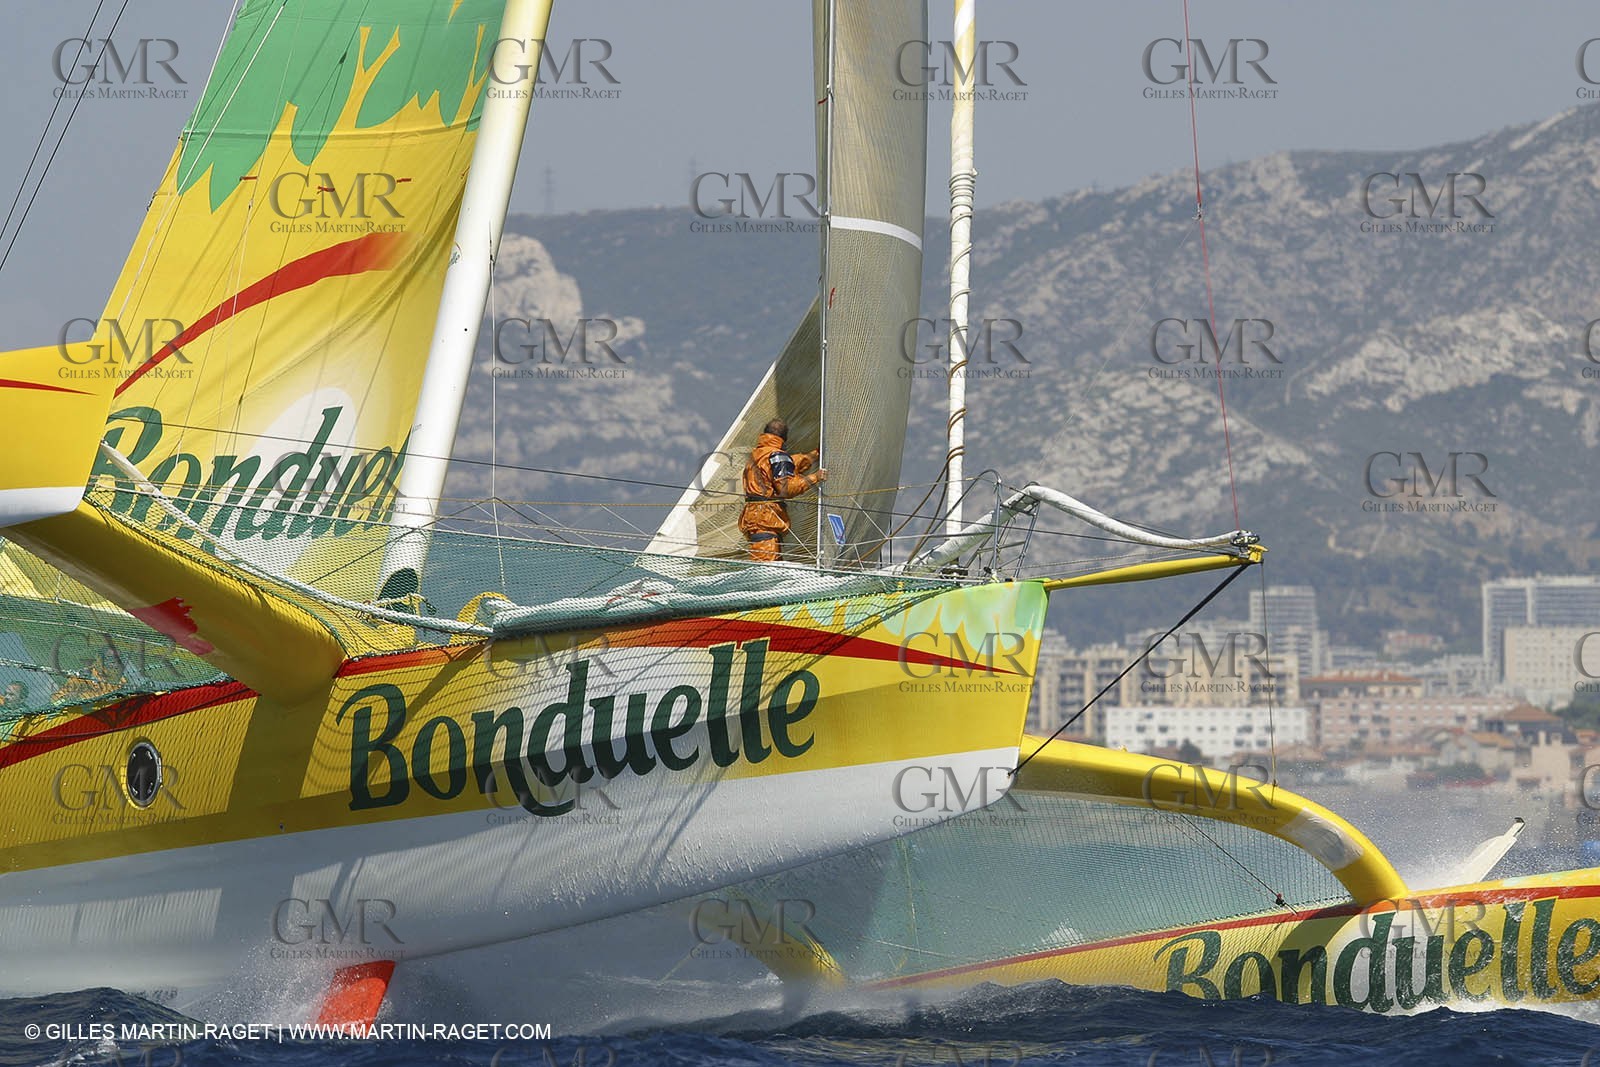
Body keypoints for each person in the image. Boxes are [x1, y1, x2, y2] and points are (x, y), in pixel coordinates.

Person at [738, 418, 828, 561]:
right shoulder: (777, 456)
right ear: (784, 439)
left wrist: (815, 454)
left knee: (766, 570)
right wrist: (815, 477)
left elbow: (790, 464)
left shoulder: (757, 455)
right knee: (764, 573)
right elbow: (787, 489)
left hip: (755, 518)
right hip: (766, 522)